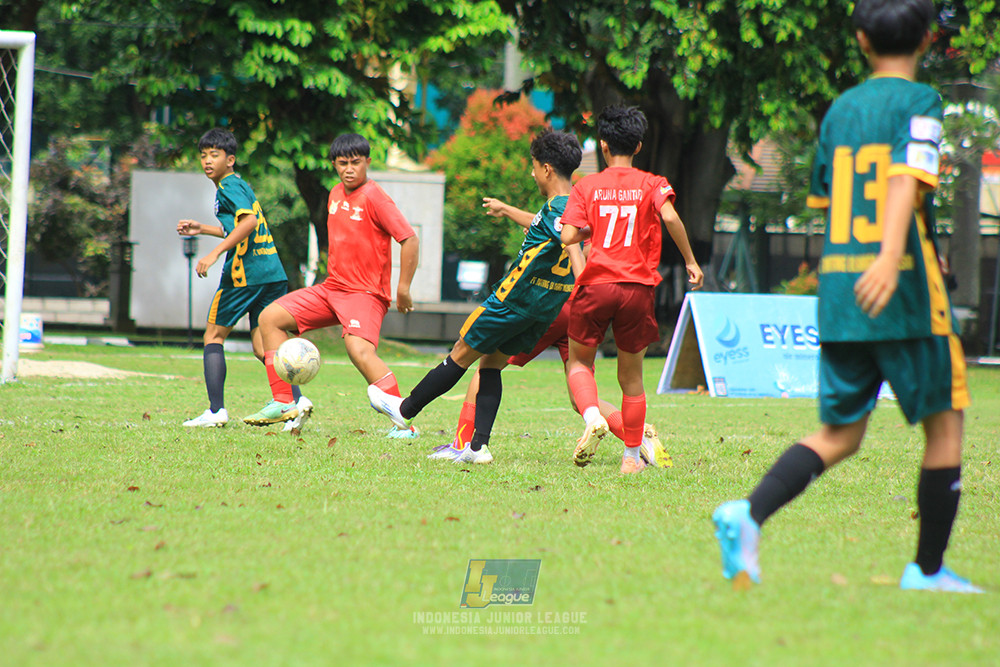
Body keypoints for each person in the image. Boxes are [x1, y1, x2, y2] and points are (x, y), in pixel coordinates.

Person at [712, 0, 981, 593]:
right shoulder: (921, 101)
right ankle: (927, 572)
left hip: (839, 289)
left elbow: (832, 202)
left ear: (860, 40)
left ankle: (747, 514)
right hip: (902, 287)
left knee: (842, 434)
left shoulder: (839, 111)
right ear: (929, 38)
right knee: (945, 425)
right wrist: (892, 255)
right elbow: (906, 177)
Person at [368, 129, 584, 463]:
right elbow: (554, 229)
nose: (532, 173)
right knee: (491, 364)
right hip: (543, 308)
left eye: (533, 166)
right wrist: (507, 209)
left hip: (513, 300)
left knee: (461, 352)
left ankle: (405, 409)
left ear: (547, 169)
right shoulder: (571, 206)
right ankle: (478, 446)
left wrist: (582, 277)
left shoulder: (558, 207)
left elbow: (569, 242)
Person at [428, 200, 671, 468]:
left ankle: (463, 443)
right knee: (579, 397)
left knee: (487, 364)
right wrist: (509, 211)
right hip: (577, 310)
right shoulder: (592, 217)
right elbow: (558, 229)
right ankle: (638, 436)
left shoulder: (566, 205)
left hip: (547, 306)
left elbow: (560, 233)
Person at [559, 105, 704, 474]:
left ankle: (593, 417)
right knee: (632, 378)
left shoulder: (586, 186)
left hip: (596, 285)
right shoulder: (652, 183)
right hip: (637, 288)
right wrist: (690, 260)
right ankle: (629, 460)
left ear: (602, 145)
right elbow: (669, 216)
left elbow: (568, 236)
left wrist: (594, 227)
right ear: (638, 146)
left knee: (579, 363)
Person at [244, 133, 419, 436]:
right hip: (331, 289)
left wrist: (403, 288)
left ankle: (405, 424)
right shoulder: (335, 194)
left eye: (355, 162)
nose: (349, 169)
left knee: (359, 351)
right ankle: (283, 402)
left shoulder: (375, 197)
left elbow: (409, 239)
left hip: (364, 293)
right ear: (335, 165)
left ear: (367, 162)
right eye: (342, 163)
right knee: (269, 318)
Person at [178, 128, 308, 431]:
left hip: (244, 275)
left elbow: (248, 222)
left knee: (213, 336)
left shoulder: (227, 187)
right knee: (264, 347)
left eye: (215, 155)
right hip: (271, 272)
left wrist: (213, 255)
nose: (207, 161)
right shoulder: (239, 185)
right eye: (203, 155)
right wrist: (203, 228)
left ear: (230, 159)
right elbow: (239, 225)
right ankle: (295, 403)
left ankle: (215, 411)